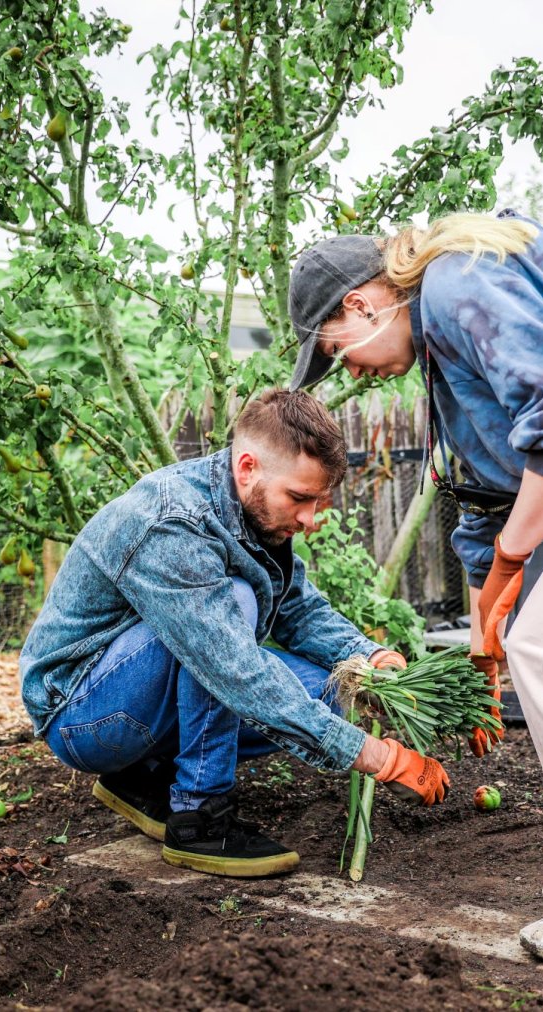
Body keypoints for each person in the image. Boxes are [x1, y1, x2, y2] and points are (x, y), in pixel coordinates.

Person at [20, 389, 449, 879]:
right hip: (82, 715)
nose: (310, 519)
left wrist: (372, 662)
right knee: (236, 605)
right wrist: (374, 756)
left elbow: (298, 609)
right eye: (300, 498)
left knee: (337, 695)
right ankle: (199, 816)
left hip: (136, 697)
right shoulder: (171, 522)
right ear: (248, 467)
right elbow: (235, 669)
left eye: (318, 501)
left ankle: (140, 778)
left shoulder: (251, 510)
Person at [288, 212, 543, 950]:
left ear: (361, 304)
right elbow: (484, 496)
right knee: (523, 650)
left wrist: (509, 569)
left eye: (337, 351)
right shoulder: (435, 341)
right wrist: (483, 645)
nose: (350, 374)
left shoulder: (461, 283)